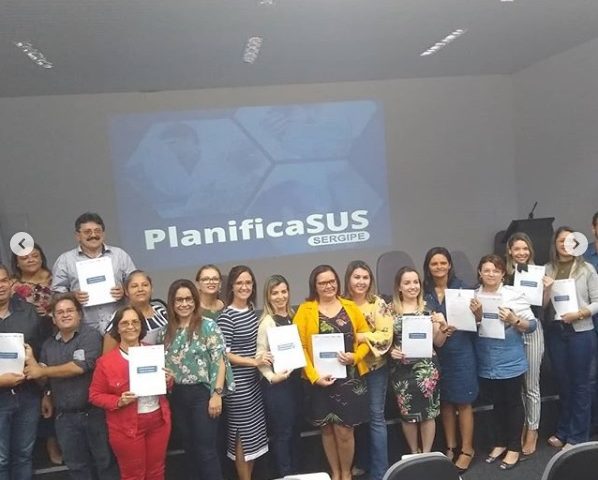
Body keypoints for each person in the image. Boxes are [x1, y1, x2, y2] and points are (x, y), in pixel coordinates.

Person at [23, 293, 119, 480]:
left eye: (69, 310)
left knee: (105, 463)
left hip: (94, 414)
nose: (65, 315)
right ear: (53, 318)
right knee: (76, 467)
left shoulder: (91, 336)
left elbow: (79, 367)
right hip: (65, 418)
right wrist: (35, 369)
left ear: (79, 314)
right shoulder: (48, 345)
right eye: (60, 312)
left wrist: (41, 371)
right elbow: (43, 377)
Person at [294, 264, 371, 480]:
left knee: (345, 431)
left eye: (331, 281)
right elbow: (300, 346)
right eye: (323, 283)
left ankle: (346, 474)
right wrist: (314, 376)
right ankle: (335, 473)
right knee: (327, 430)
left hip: (349, 380)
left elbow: (365, 336)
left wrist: (356, 356)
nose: (328, 286)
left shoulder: (350, 306)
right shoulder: (305, 310)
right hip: (319, 382)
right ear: (315, 286)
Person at [89, 306, 172, 480]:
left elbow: (166, 386)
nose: (130, 326)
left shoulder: (153, 353)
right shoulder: (106, 362)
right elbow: (94, 395)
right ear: (117, 328)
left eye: (135, 322)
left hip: (158, 420)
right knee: (133, 475)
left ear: (141, 326)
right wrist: (118, 401)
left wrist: (168, 379)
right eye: (124, 323)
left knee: (157, 472)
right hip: (126, 426)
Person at [161, 279, 233, 480]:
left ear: (195, 300)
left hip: (203, 395)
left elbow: (219, 360)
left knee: (206, 451)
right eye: (179, 300)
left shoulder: (208, 326)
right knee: (189, 450)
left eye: (188, 299)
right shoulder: (165, 332)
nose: (184, 304)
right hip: (178, 396)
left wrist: (216, 395)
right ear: (172, 303)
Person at [471, 254, 537, 470]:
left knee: (513, 403)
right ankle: (500, 443)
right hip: (486, 360)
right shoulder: (473, 296)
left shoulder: (514, 294)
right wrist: (476, 317)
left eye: (496, 270)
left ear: (503, 274)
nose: (491, 274)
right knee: (496, 403)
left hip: (510, 359)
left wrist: (513, 319)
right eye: (487, 270)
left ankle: (514, 447)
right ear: (480, 272)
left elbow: (532, 325)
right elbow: (467, 327)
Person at [422, 248, 478, 472]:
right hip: (436, 355)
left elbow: (476, 322)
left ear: (450, 265)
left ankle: (467, 450)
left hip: (461, 352)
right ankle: (451, 447)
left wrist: (477, 313)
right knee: (445, 402)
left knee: (463, 402)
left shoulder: (463, 289)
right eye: (434, 264)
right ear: (428, 267)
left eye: (443, 263)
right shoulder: (423, 292)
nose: (439, 267)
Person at [543, 226, 598, 448]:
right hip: (556, 332)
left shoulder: (587, 269)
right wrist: (546, 290)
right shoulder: (547, 269)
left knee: (581, 385)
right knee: (563, 384)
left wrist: (580, 313)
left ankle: (577, 436)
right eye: (561, 241)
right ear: (555, 245)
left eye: (570, 241)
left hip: (581, 332)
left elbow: (597, 302)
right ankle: (563, 430)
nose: (566, 245)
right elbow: (542, 305)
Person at [11, 243, 63, 465]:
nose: (31, 259)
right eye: (25, 257)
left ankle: (65, 442)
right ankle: (49, 444)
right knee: (39, 392)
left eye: (35, 255)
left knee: (60, 389)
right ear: (17, 262)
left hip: (58, 338)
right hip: (30, 343)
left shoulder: (56, 280)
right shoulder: (12, 286)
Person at [217, 266, 270, 480]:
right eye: (239, 283)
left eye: (248, 283)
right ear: (231, 286)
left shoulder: (250, 310)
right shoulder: (227, 316)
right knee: (242, 436)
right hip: (237, 386)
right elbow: (224, 354)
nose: (244, 287)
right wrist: (254, 362)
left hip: (253, 383)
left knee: (254, 437)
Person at [342, 260, 393, 480]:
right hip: (347, 370)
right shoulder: (340, 303)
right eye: (357, 277)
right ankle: (362, 463)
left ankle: (380, 471)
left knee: (376, 418)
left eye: (365, 277)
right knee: (355, 419)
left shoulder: (377, 304)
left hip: (374, 369)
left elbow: (386, 335)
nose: (361, 282)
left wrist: (362, 337)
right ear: (348, 279)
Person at [389, 266, 447, 455]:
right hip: (402, 371)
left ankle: (427, 454)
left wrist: (443, 326)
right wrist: (391, 351)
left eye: (415, 282)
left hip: (427, 371)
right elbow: (383, 343)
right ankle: (414, 454)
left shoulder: (428, 309)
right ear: (399, 287)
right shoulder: (390, 311)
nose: (412, 286)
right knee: (408, 415)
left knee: (428, 414)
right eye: (407, 283)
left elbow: (438, 342)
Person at [52, 212, 136, 333]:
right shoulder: (65, 260)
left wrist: (124, 291)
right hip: (83, 328)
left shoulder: (120, 255)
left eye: (97, 231)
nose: (93, 235)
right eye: (87, 232)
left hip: (119, 325)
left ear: (103, 233)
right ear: (77, 236)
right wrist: (73, 296)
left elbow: (135, 283)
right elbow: (56, 294)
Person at [0, 264, 47, 479]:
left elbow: (43, 352)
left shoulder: (29, 312)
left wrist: (46, 391)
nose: (0, 286)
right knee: (1, 459)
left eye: (3, 280)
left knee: (24, 456)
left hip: (28, 395)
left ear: (11, 282)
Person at [256, 274, 301, 477]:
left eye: (284, 291)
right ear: (268, 296)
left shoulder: (293, 316)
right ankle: (285, 474)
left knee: (295, 430)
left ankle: (296, 472)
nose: (280, 296)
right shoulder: (267, 322)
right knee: (283, 433)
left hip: (295, 383)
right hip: (278, 386)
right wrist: (272, 377)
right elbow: (260, 356)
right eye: (275, 293)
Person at [504, 233, 545, 456]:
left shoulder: (538, 273)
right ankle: (520, 424)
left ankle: (533, 430)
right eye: (517, 249)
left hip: (533, 330)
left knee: (531, 385)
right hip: (511, 334)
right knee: (516, 386)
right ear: (510, 251)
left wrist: (547, 289)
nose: (521, 253)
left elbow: (542, 307)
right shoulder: (505, 276)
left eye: (525, 248)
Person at [103, 270, 168, 352]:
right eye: (134, 286)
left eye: (145, 285)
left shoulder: (161, 312)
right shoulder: (120, 316)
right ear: (126, 291)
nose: (140, 289)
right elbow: (108, 355)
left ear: (151, 288)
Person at [583, 212, 598, 434]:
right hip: (589, 324)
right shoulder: (583, 256)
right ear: (593, 228)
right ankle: (593, 423)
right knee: (591, 376)